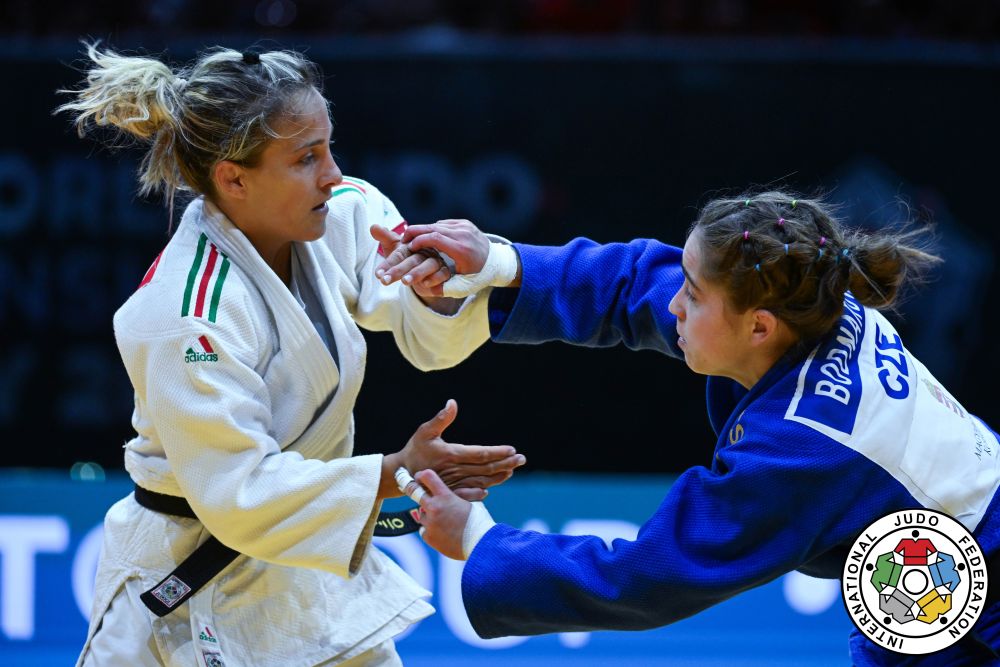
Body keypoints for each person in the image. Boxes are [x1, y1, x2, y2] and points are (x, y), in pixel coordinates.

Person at [377, 193, 1000, 664]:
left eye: (694, 295)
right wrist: (499, 261)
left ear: (758, 327)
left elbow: (646, 577)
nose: (676, 302)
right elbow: (633, 283)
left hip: (970, 592)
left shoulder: (803, 450)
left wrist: (479, 539)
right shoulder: (809, 299)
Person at [56, 44, 526, 667]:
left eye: (329, 148)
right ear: (233, 178)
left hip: (305, 559)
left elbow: (426, 339)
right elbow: (240, 493)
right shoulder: (183, 315)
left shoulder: (341, 212)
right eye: (307, 158)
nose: (334, 174)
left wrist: (436, 289)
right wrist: (392, 473)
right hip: (193, 576)